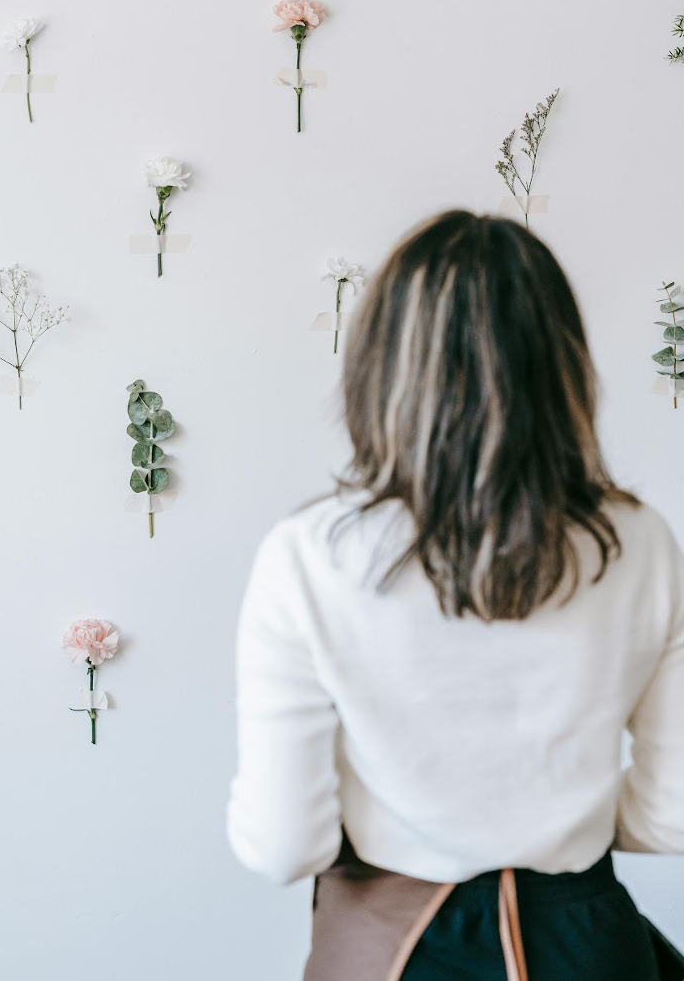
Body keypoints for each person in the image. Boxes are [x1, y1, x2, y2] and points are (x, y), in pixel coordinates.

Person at [227, 211, 684, 980]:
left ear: (381, 364)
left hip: (399, 949)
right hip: (584, 942)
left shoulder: (308, 555)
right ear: (562, 363)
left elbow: (282, 846)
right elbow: (673, 810)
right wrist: (557, 833)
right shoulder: (638, 542)